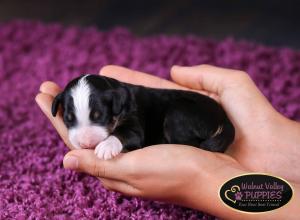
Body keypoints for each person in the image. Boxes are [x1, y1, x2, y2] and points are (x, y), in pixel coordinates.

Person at [35, 65, 300, 219]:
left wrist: (117, 140)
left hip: (197, 113)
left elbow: (134, 134)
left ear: (115, 104)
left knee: (172, 121)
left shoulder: (127, 105)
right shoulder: (116, 98)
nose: (83, 137)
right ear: (60, 108)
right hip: (197, 122)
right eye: (71, 121)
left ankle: (193, 146)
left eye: (97, 119)